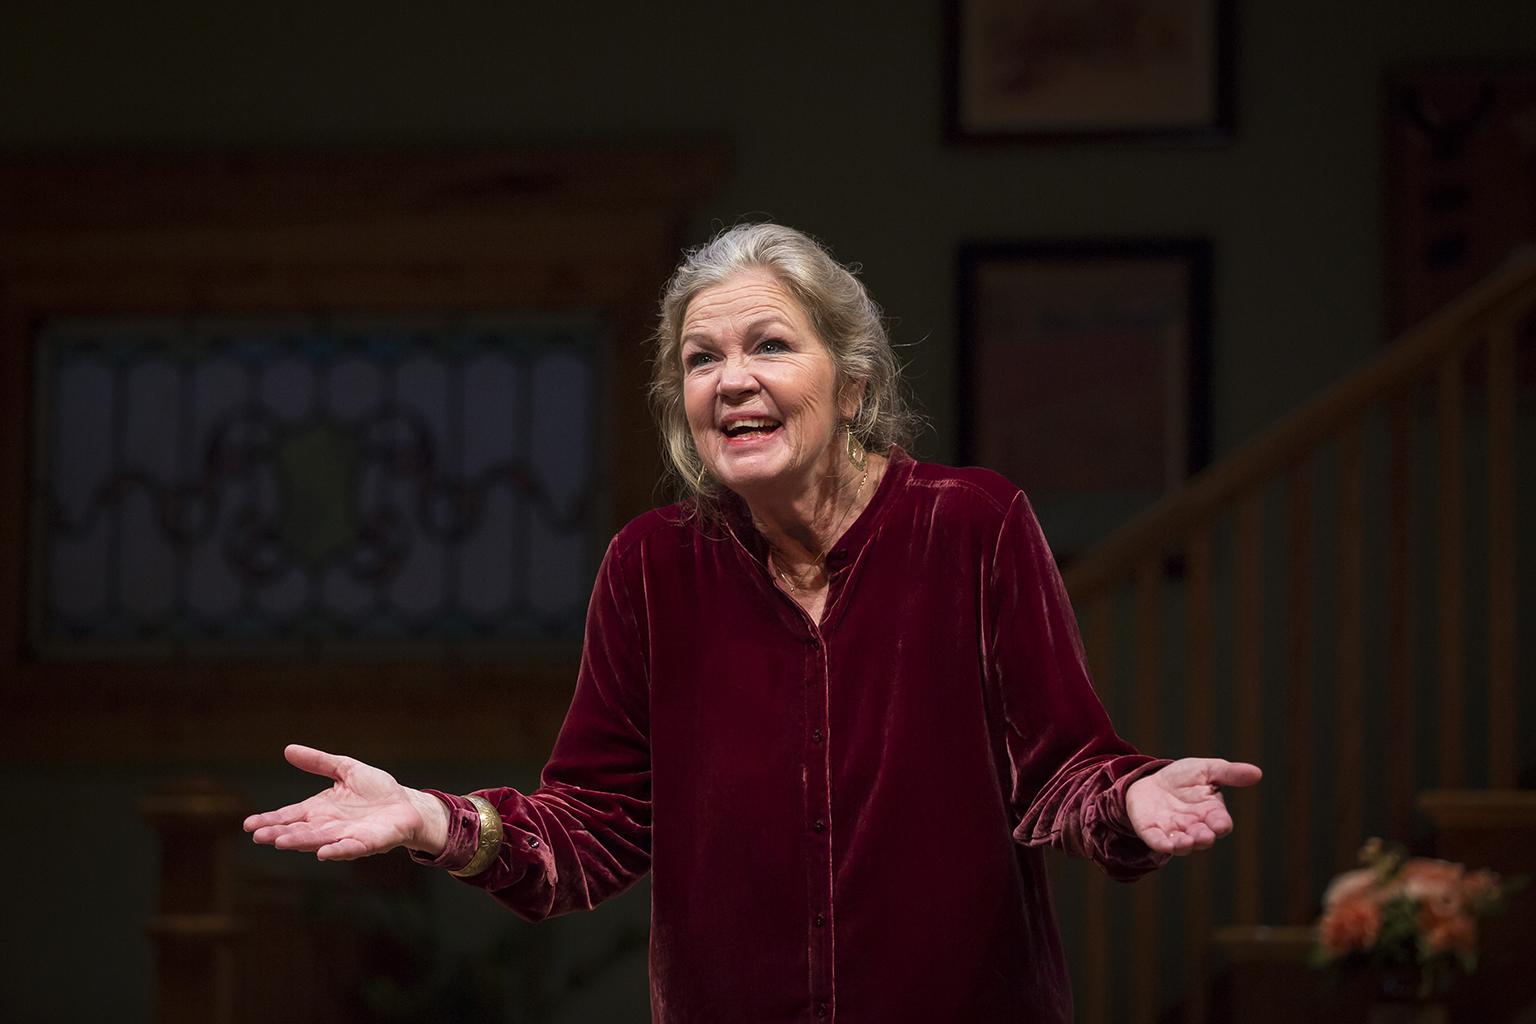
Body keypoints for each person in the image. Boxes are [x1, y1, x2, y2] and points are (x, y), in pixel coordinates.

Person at [245, 222, 1261, 1023]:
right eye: (700, 358)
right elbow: (593, 826)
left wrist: (1128, 800)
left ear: (853, 382)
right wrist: (436, 822)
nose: (731, 379)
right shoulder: (651, 565)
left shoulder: (974, 525)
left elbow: (1058, 770)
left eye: (770, 344)